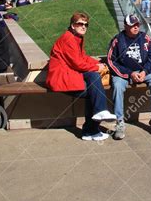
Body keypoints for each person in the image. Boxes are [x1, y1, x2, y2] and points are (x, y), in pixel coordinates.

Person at [46, 12, 115, 141]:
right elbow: (77, 63)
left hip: (69, 75)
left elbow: (82, 57)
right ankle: (95, 121)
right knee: (93, 83)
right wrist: (96, 67)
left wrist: (98, 63)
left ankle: (90, 130)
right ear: (73, 25)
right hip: (61, 78)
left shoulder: (76, 38)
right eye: (80, 24)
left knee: (93, 88)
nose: (83, 27)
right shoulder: (68, 39)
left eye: (86, 24)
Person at [107, 14, 151, 140]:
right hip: (123, 73)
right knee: (117, 86)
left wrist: (145, 71)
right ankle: (119, 122)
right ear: (126, 26)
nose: (136, 27)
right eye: (132, 25)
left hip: (143, 71)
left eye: (137, 24)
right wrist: (129, 73)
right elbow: (111, 61)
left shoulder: (145, 38)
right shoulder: (117, 40)